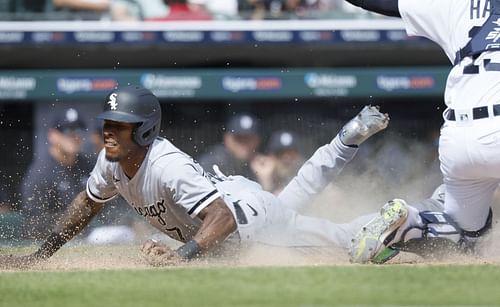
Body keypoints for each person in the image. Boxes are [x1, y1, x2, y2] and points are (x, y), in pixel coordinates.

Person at [0, 86, 388, 268]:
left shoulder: (167, 164)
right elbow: (87, 204)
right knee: (298, 196)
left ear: (145, 131)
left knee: (345, 242)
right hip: (230, 201)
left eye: (121, 126)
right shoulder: (111, 160)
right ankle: (344, 140)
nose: (108, 132)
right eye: (108, 124)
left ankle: (397, 218)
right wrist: (38, 256)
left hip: (249, 222)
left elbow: (223, 217)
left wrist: (182, 255)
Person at [345, 0, 500, 264]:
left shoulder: (459, 6)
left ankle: (411, 223)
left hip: (458, 138)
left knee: (465, 237)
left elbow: (384, 3)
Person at [20, 107, 93, 240]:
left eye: (78, 130)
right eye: (66, 130)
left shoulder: (88, 165)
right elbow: (34, 223)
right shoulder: (40, 172)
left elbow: (108, 207)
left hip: (89, 239)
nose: (74, 136)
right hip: (51, 243)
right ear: (52, 135)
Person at [197, 113, 261, 181]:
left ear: (257, 140)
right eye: (239, 138)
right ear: (227, 139)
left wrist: (265, 179)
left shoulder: (258, 164)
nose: (244, 144)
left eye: (249, 139)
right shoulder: (213, 161)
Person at [251, 130, 305, 194]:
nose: (286, 158)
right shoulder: (255, 179)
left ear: (299, 156)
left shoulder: (307, 180)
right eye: (279, 153)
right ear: (270, 157)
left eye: (291, 154)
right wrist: (266, 181)